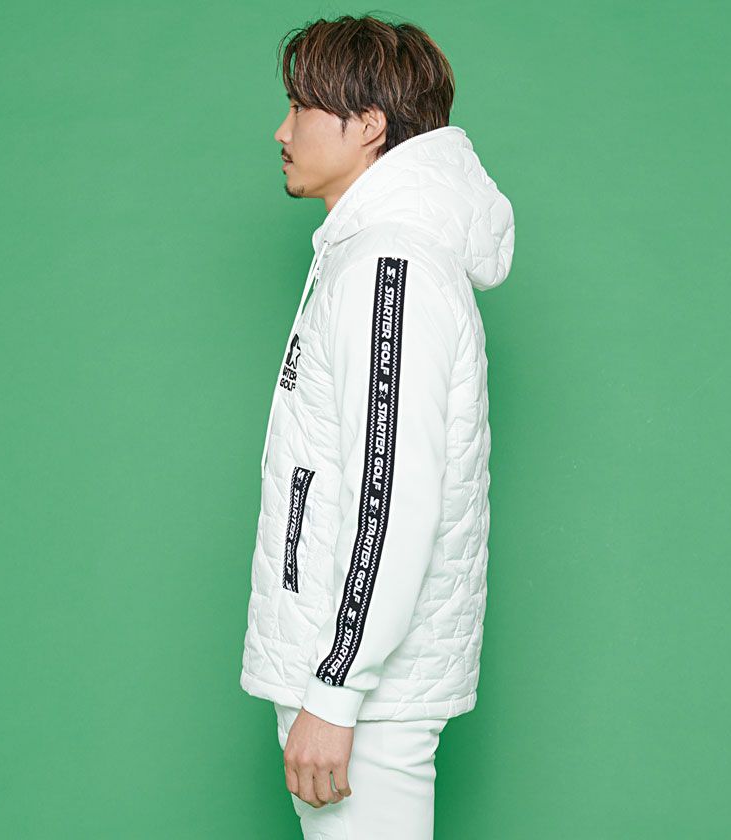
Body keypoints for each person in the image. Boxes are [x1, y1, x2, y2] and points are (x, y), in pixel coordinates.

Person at [240, 13, 514, 839]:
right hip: (357, 682)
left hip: (367, 697)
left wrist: (336, 689)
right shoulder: (366, 255)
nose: (281, 130)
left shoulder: (388, 268)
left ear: (367, 126)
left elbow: (391, 498)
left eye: (301, 107)